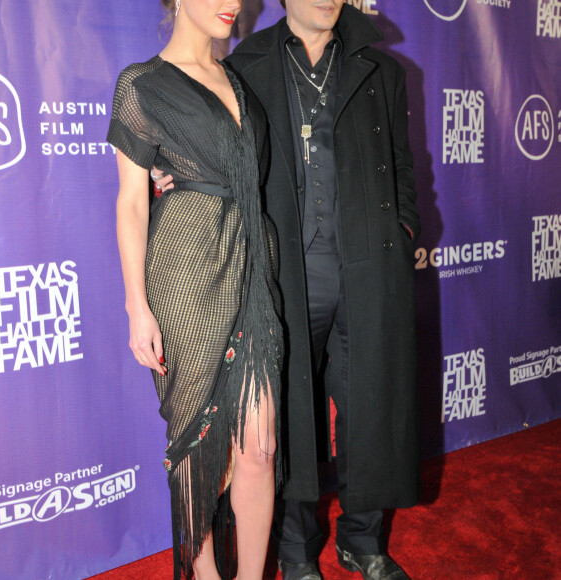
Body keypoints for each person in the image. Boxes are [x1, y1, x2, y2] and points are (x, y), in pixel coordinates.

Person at [155, 1, 420, 578]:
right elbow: (213, 151)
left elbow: (402, 167)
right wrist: (170, 167)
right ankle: (297, 553)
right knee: (291, 421)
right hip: (282, 276)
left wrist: (402, 231)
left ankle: (364, 541)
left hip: (368, 271)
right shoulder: (245, 69)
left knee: (370, 412)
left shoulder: (384, 71)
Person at [107, 1, 283, 579]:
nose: (232, 2)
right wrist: (137, 305)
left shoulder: (238, 79)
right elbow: (132, 202)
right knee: (195, 440)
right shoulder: (142, 84)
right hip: (185, 273)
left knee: (259, 448)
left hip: (252, 267)